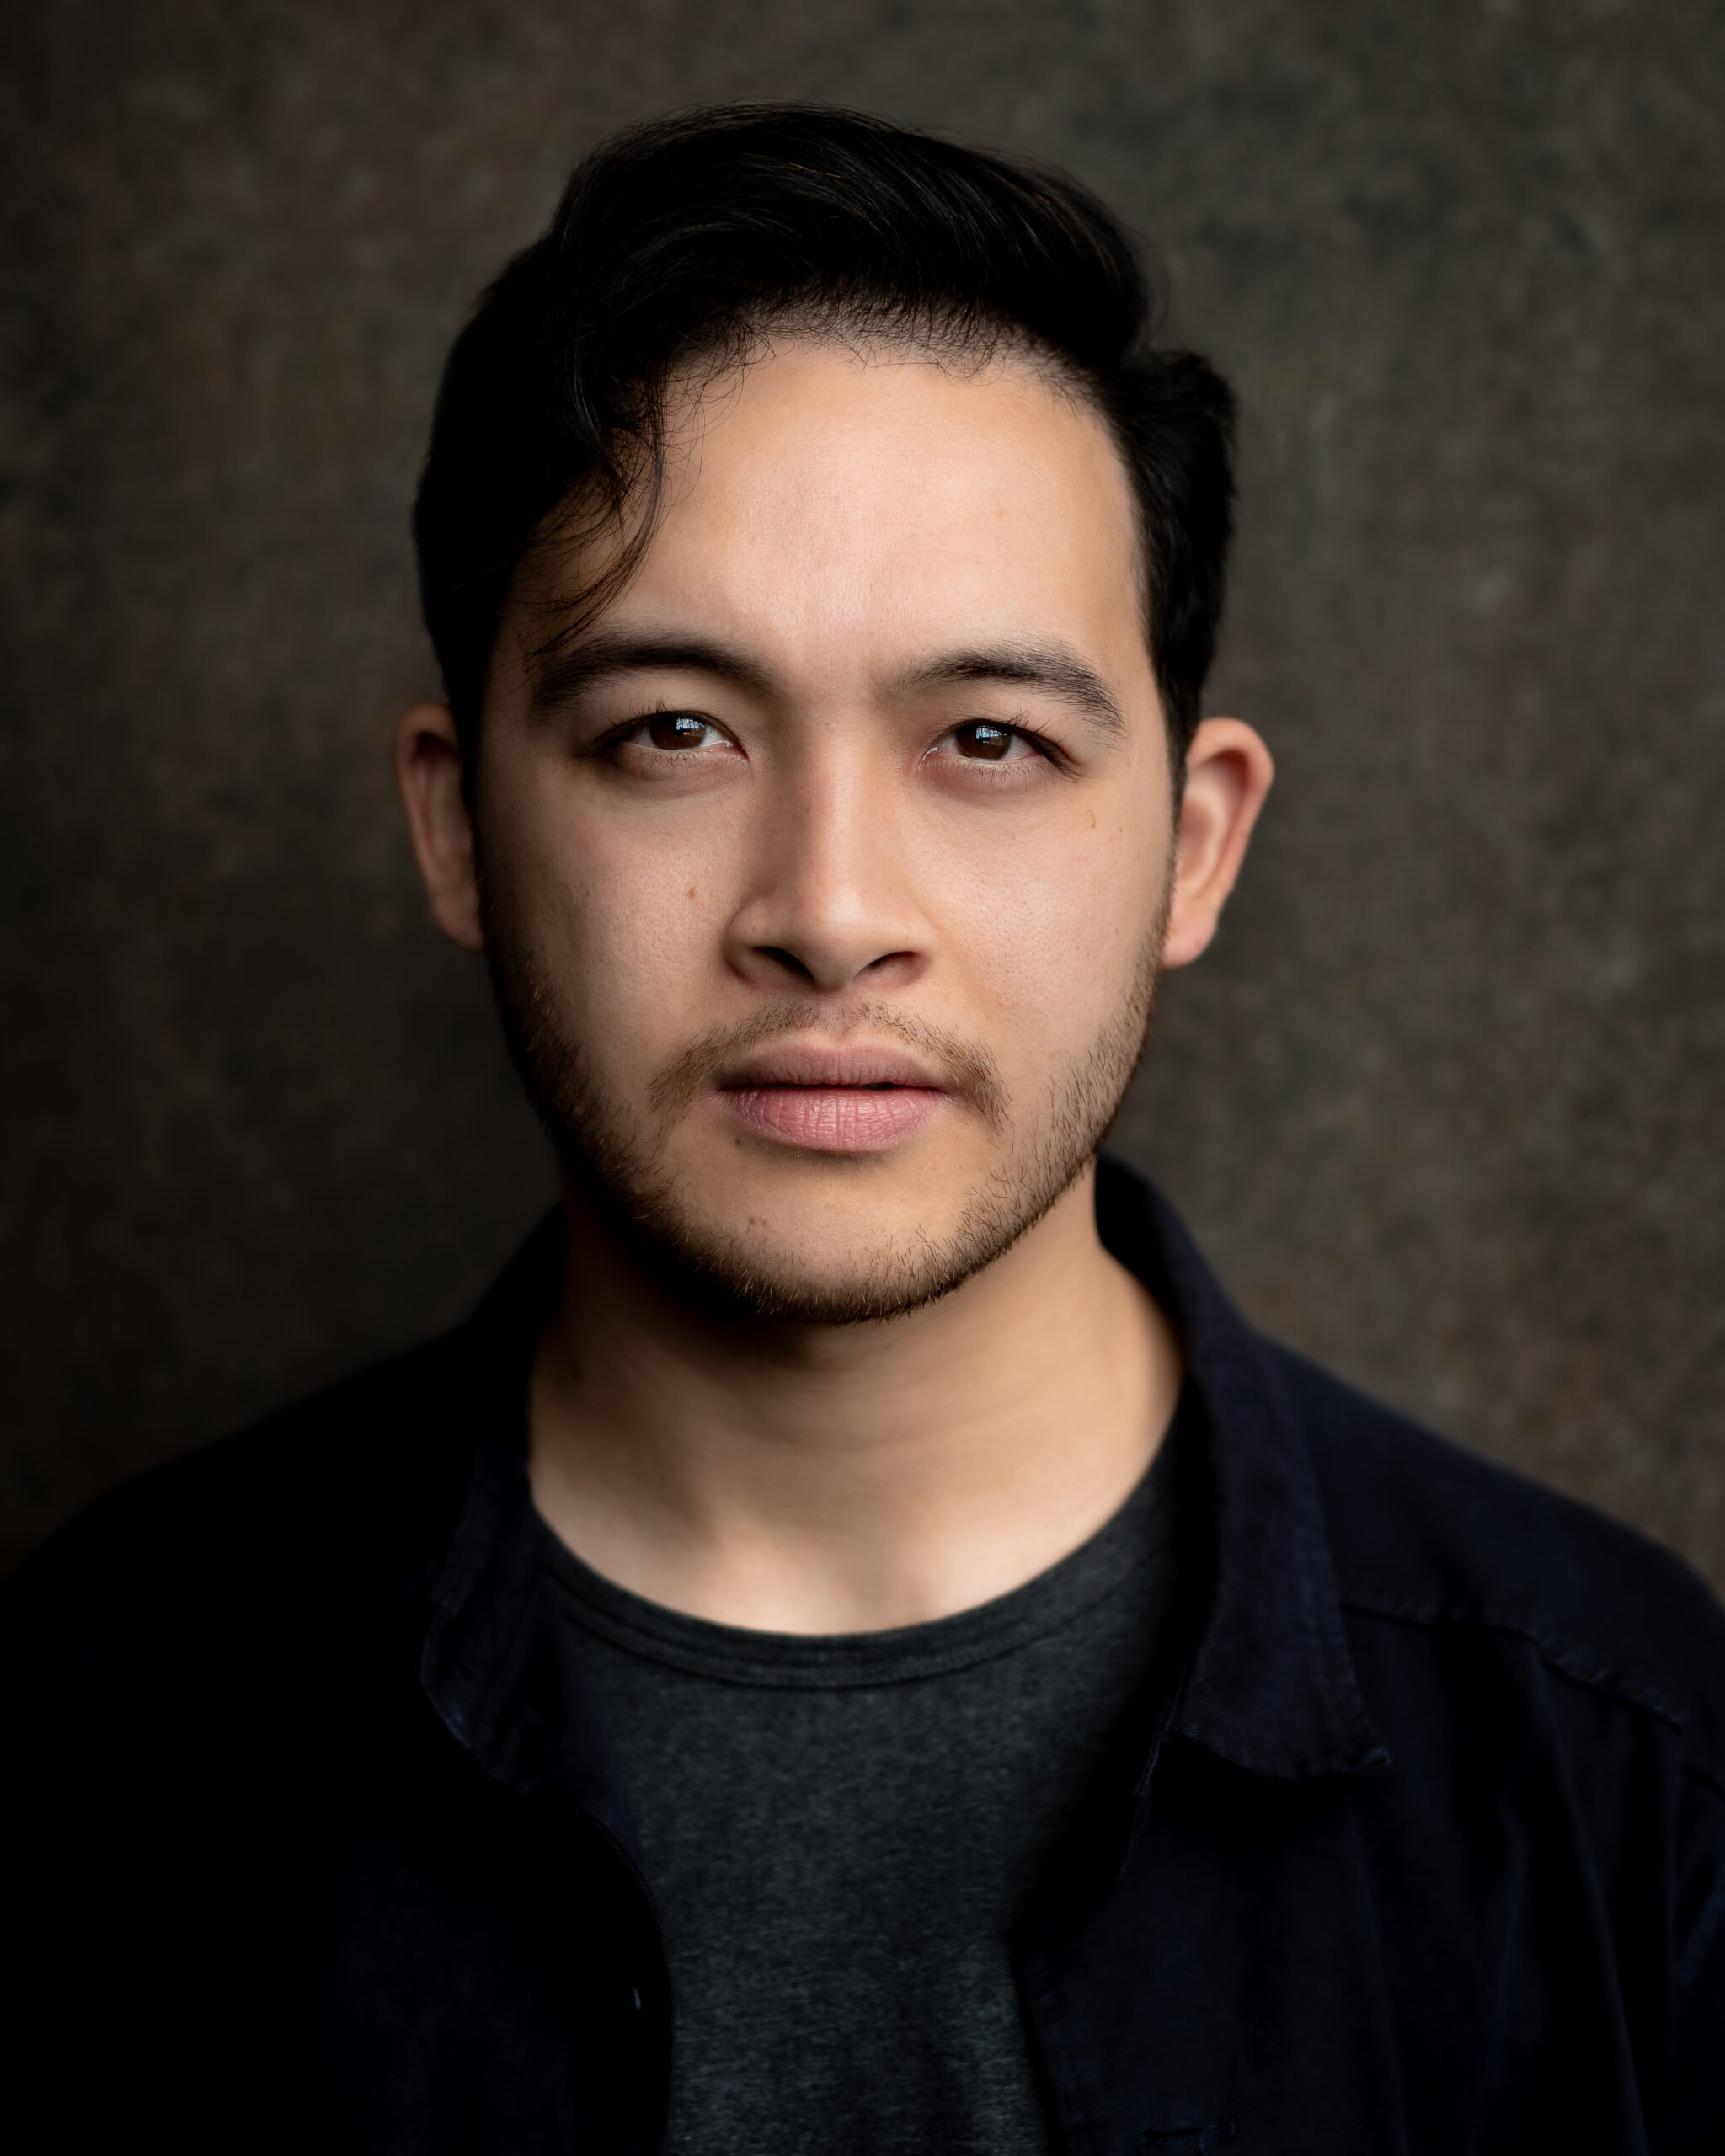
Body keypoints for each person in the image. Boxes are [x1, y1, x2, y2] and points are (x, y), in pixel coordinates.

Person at [5, 103, 1722, 2156]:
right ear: (459, 827)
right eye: (672, 732)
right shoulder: (93, 1728)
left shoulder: (1628, 1763)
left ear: (1193, 846)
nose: (828, 909)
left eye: (987, 739)